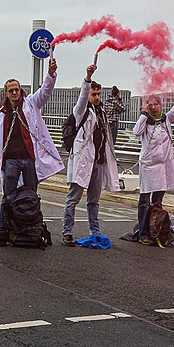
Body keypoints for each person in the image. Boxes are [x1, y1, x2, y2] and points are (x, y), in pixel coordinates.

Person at [0, 56, 63, 239]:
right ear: (6, 94)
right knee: (8, 196)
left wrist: (51, 74)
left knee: (31, 195)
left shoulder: (31, 103)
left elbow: (45, 92)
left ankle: (30, 228)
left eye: (17, 89)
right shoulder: (3, 116)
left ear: (21, 91)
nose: (15, 93)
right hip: (12, 161)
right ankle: (2, 229)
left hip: (30, 160)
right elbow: (0, 143)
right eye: (11, 90)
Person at [62, 64, 119, 246]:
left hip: (99, 162)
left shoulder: (102, 112)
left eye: (98, 94)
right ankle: (67, 232)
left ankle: (95, 231)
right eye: (93, 94)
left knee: (94, 201)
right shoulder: (81, 111)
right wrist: (87, 78)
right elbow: (82, 98)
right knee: (74, 198)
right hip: (84, 162)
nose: (96, 97)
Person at [131, 87, 174, 244]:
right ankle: (143, 233)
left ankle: (154, 230)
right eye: (149, 105)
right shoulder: (145, 122)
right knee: (144, 201)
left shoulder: (166, 119)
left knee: (157, 201)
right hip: (148, 166)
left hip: (163, 167)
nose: (152, 107)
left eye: (155, 104)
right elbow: (136, 132)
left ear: (160, 105)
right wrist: (144, 114)